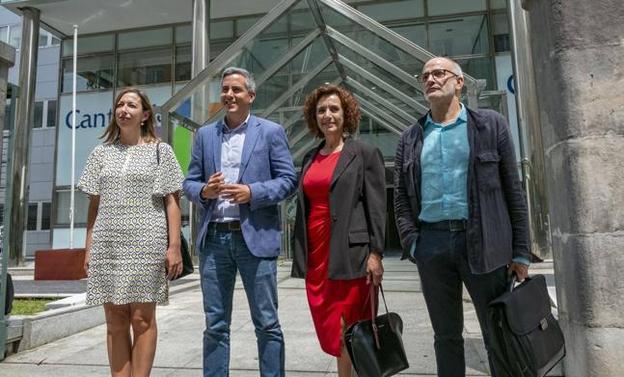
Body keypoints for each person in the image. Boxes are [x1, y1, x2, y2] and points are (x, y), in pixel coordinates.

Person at [393, 57, 530, 377]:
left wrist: (521, 250)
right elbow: (400, 200)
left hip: (485, 242)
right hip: (432, 245)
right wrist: (415, 244)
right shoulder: (410, 138)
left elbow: (514, 190)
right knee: (446, 337)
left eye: (439, 73)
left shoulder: (490, 124)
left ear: (459, 82)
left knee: (499, 332)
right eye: (424, 75)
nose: (430, 79)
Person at [183, 67, 297, 377]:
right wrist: (205, 190)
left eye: (236, 90)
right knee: (215, 324)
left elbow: (288, 180)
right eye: (225, 90)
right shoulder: (206, 135)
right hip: (215, 240)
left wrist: (252, 192)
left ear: (251, 95)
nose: (229, 95)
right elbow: (189, 182)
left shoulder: (270, 131)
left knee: (267, 323)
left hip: (255, 241)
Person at [78, 87, 185, 377]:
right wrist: (88, 248)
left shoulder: (161, 151)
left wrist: (173, 246)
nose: (124, 109)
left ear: (145, 114)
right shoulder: (100, 153)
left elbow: (172, 201)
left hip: (147, 243)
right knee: (114, 319)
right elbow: (94, 206)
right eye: (120, 105)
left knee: (141, 319)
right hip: (107, 245)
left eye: (132, 105)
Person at [291, 84, 386, 377]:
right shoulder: (310, 157)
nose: (327, 115)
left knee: (351, 328)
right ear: (313, 117)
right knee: (331, 328)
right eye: (321, 110)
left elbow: (376, 207)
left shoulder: (364, 153)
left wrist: (375, 253)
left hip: (351, 254)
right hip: (317, 254)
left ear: (346, 115)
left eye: (334, 109)